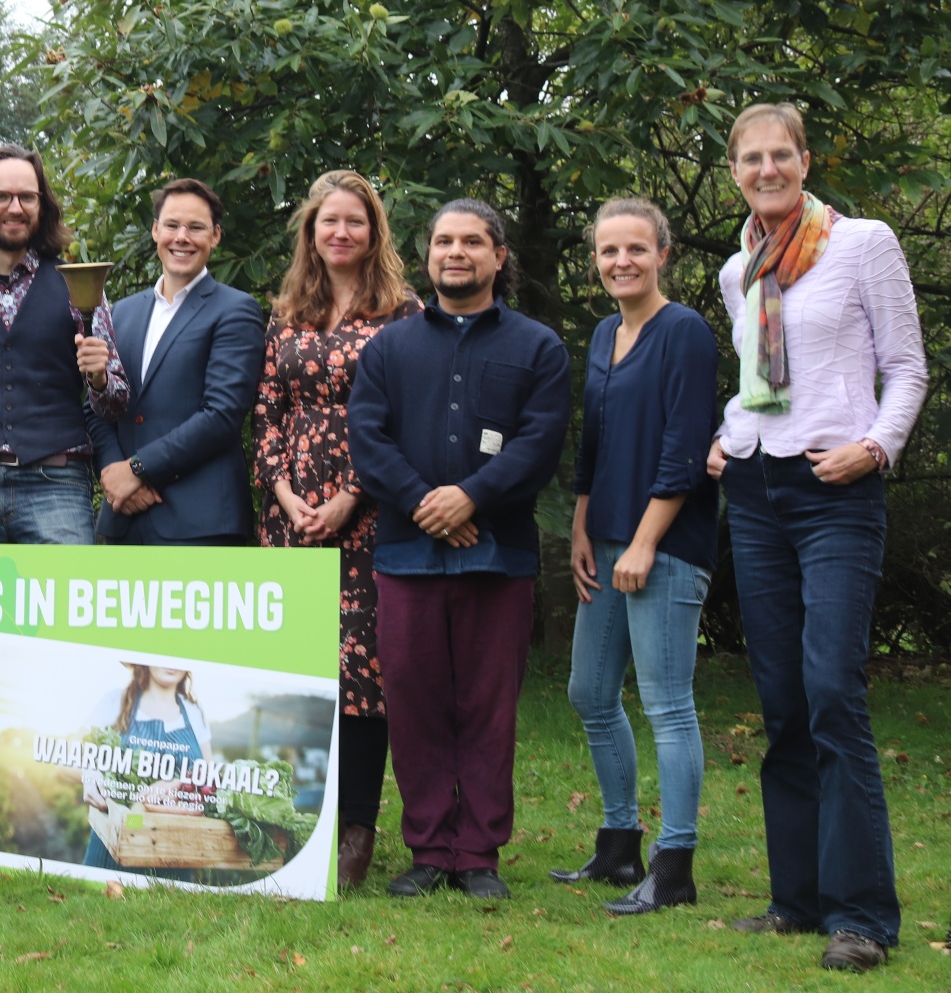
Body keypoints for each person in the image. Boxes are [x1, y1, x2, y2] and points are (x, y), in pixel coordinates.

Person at [705, 103, 926, 972]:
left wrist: (877, 446)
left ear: (804, 159)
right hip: (756, 489)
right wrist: (728, 436)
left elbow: (906, 367)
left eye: (780, 155)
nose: (767, 170)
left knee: (832, 690)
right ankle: (795, 901)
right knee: (783, 702)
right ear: (735, 172)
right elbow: (760, 383)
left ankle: (861, 916)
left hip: (837, 489)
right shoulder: (739, 269)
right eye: (750, 159)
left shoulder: (862, 244)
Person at [347, 198, 570, 900]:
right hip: (406, 556)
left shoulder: (538, 347)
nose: (456, 252)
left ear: (498, 256)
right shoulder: (389, 348)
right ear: (428, 255)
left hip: (498, 557)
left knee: (487, 707)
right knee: (414, 706)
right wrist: (427, 503)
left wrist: (472, 497)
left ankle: (477, 854)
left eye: (473, 241)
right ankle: (428, 850)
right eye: (444, 241)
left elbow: (539, 443)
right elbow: (367, 439)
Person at [252, 170, 420, 889]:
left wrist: (353, 495)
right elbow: (267, 412)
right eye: (329, 221)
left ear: (374, 231)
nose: (341, 232)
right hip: (290, 513)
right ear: (311, 232)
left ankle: (355, 828)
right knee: (295, 664)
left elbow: (408, 417)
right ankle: (293, 821)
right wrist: (286, 495)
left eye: (355, 220)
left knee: (359, 673)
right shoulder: (288, 312)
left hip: (368, 511)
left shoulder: (403, 314)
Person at [557, 199, 719, 911]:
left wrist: (646, 543)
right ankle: (620, 846)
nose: (621, 261)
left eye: (636, 249)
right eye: (608, 251)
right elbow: (592, 445)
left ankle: (674, 868)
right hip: (608, 540)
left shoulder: (684, 331)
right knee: (590, 693)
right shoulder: (604, 334)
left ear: (663, 255)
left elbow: (686, 447)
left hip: (667, 545)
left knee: (667, 704)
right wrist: (582, 527)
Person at [0, 145, 127, 545]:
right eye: (1, 196)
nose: (15, 208)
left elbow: (115, 404)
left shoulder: (78, 285)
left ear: (42, 205)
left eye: (27, 197)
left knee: (69, 590)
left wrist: (99, 378)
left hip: (56, 484)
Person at [88, 177, 263, 546]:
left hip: (201, 523)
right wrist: (114, 473)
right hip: (125, 520)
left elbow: (221, 415)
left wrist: (137, 469)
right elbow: (95, 406)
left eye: (195, 227)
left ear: (215, 235)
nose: (182, 237)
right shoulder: (121, 313)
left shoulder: (236, 310)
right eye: (172, 225)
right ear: (155, 231)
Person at [80, 664, 214, 874]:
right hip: (116, 844)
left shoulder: (194, 712)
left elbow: (208, 779)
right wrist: (89, 772)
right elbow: (66, 761)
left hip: (174, 854)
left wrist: (177, 784)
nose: (172, 662)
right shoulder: (114, 701)